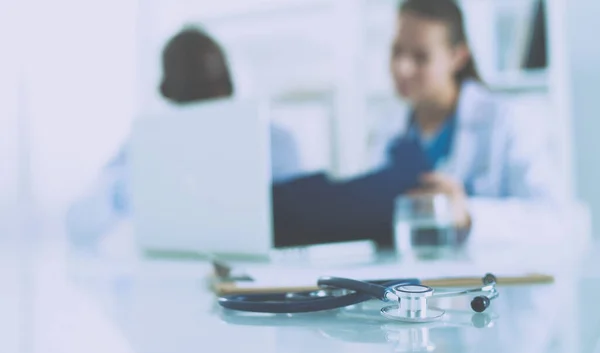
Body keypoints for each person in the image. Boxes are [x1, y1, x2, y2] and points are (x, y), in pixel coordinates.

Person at [274, 0, 564, 248]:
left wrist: (469, 214)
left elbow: (558, 222)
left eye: (420, 57)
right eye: (397, 52)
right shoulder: (390, 127)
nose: (402, 68)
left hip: (497, 296)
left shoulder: (507, 120)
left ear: (457, 57)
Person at [66, 27, 302, 245]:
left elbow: (301, 223)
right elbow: (76, 224)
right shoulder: (144, 144)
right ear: (167, 90)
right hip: (166, 278)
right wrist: (124, 190)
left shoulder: (274, 141)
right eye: (192, 86)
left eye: (209, 85)